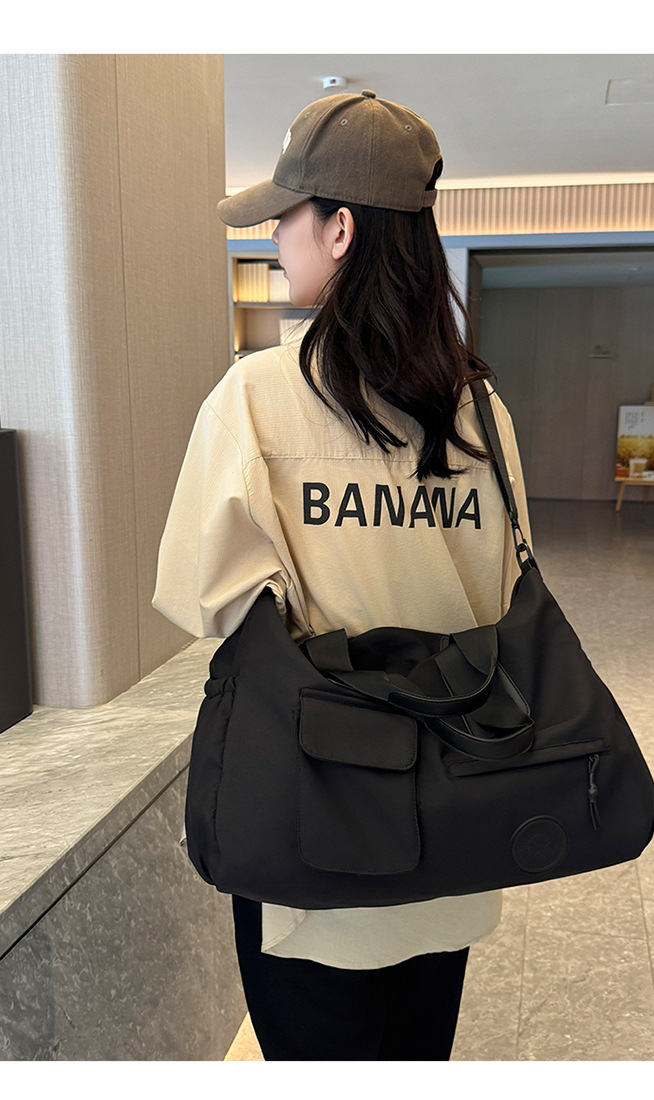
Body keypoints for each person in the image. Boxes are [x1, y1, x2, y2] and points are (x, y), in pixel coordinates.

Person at [152, 89, 533, 1061]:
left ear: (341, 228)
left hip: (315, 821)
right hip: (450, 814)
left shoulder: (256, 397)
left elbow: (203, 597)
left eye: (287, 215)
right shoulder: (480, 408)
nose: (277, 238)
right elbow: (506, 591)